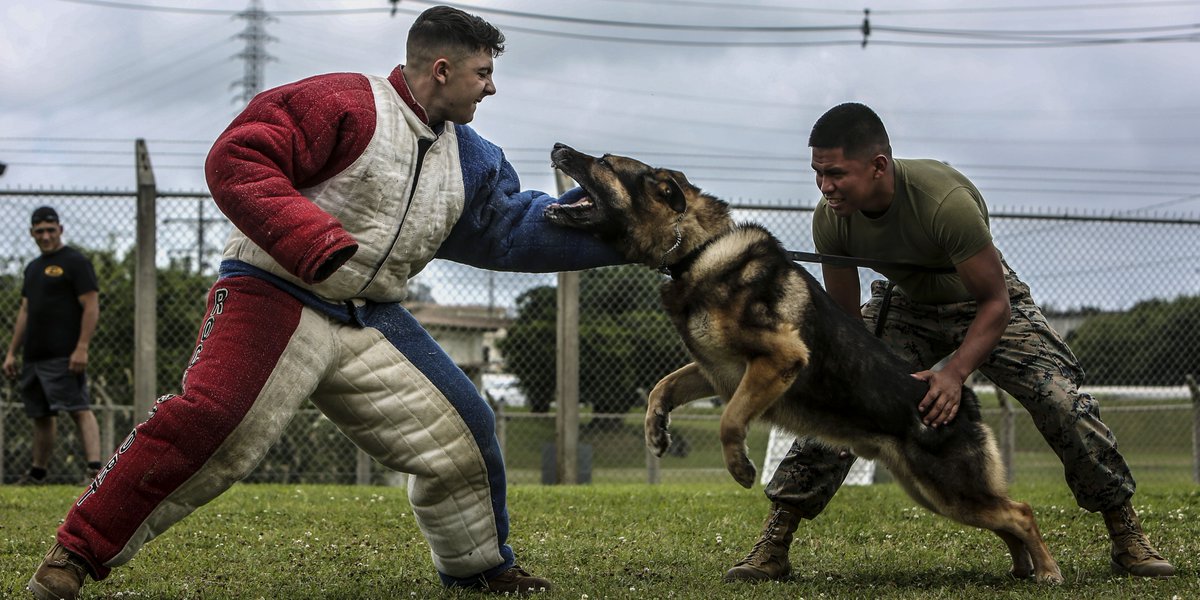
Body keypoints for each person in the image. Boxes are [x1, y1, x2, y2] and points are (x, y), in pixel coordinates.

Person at [26, 6, 623, 599]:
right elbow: (238, 155)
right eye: (483, 73)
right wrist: (311, 239)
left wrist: (621, 233)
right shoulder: (344, 101)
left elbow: (505, 227)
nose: (491, 87)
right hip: (274, 289)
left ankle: (480, 567)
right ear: (441, 70)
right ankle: (75, 553)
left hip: (370, 313)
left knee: (461, 435)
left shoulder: (471, 156)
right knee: (211, 422)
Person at [723, 102, 1174, 582]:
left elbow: (995, 302)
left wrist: (955, 372)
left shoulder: (943, 202)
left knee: (1061, 402)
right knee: (842, 398)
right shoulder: (833, 216)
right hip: (907, 307)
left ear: (878, 166)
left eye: (835, 173)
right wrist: (857, 384)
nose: (824, 186)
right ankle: (774, 542)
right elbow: (846, 326)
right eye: (817, 173)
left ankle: (1126, 535)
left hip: (986, 305)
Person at [4, 206, 102, 486]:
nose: (45, 236)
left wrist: (82, 347)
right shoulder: (32, 268)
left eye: (50, 230)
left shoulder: (75, 262)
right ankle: (37, 474)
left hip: (65, 355)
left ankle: (95, 471)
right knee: (41, 415)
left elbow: (91, 305)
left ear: (60, 229)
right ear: (31, 233)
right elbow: (25, 310)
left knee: (78, 408)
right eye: (39, 231)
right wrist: (12, 352)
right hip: (33, 356)